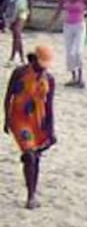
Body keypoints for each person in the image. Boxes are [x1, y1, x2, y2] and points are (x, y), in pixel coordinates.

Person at [4, 46, 56, 209]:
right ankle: (31, 196)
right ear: (33, 59)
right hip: (19, 119)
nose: (42, 67)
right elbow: (8, 95)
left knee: (36, 157)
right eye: (40, 63)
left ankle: (32, 192)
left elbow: (49, 106)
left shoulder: (49, 79)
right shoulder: (20, 73)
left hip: (38, 121)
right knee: (30, 154)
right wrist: (6, 118)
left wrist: (50, 128)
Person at [49, 0, 87, 88]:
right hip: (67, 26)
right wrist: (52, 23)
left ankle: (81, 77)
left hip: (79, 26)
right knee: (69, 53)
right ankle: (73, 77)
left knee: (77, 52)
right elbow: (58, 10)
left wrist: (84, 16)